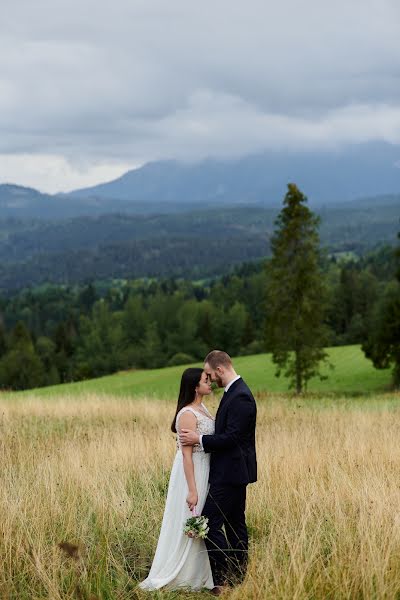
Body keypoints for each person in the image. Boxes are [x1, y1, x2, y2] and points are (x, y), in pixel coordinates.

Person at [179, 350, 257, 595]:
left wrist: (199, 439)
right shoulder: (232, 393)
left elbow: (233, 438)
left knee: (210, 523)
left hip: (231, 473)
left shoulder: (241, 396)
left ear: (220, 369)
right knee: (235, 526)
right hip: (229, 472)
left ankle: (223, 580)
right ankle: (237, 578)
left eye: (211, 374)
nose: (210, 379)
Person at [139, 367, 215, 592]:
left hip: (206, 468)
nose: (210, 383)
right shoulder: (187, 414)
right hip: (191, 472)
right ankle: (180, 574)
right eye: (205, 380)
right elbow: (186, 454)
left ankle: (199, 573)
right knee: (191, 514)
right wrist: (192, 490)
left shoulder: (202, 408)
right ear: (194, 386)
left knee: (203, 518)